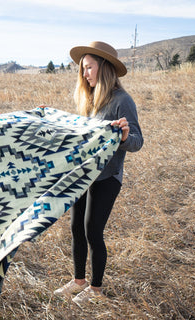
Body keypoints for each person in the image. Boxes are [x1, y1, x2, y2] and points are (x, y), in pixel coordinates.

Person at [53, 41, 143, 306]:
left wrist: (125, 136)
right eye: (82, 69)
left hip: (107, 177)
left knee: (93, 230)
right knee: (76, 228)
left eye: (88, 67)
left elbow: (137, 141)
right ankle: (78, 280)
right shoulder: (90, 99)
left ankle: (95, 289)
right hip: (84, 175)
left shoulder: (122, 101)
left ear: (103, 67)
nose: (84, 74)